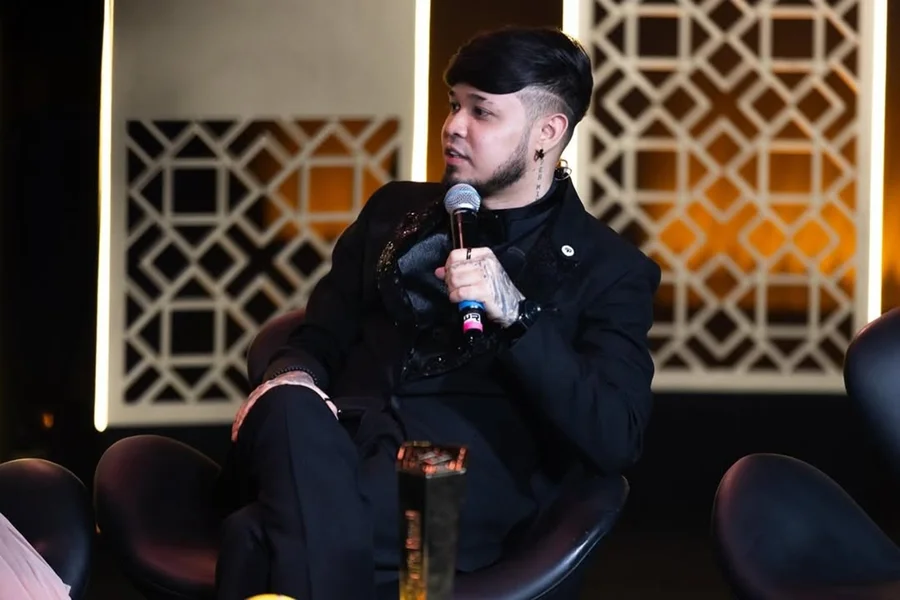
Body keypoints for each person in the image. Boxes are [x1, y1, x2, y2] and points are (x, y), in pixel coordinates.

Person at [215, 25, 661, 600]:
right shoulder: (393, 210)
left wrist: (518, 316)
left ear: (547, 132)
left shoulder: (608, 267)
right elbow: (318, 335)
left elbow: (616, 434)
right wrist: (292, 374)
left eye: (482, 111)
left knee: (256, 535)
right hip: (333, 448)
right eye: (454, 105)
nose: (453, 126)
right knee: (285, 403)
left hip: (444, 484)